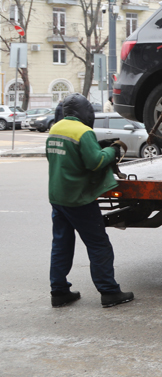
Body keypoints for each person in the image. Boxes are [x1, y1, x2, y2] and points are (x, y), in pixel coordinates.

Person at [47, 93, 134, 309]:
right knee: (99, 245)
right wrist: (112, 150)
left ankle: (59, 292)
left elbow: (62, 158)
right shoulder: (83, 131)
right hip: (79, 198)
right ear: (84, 112)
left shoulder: (55, 129)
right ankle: (109, 291)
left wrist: (97, 147)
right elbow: (95, 162)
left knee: (61, 244)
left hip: (58, 197)